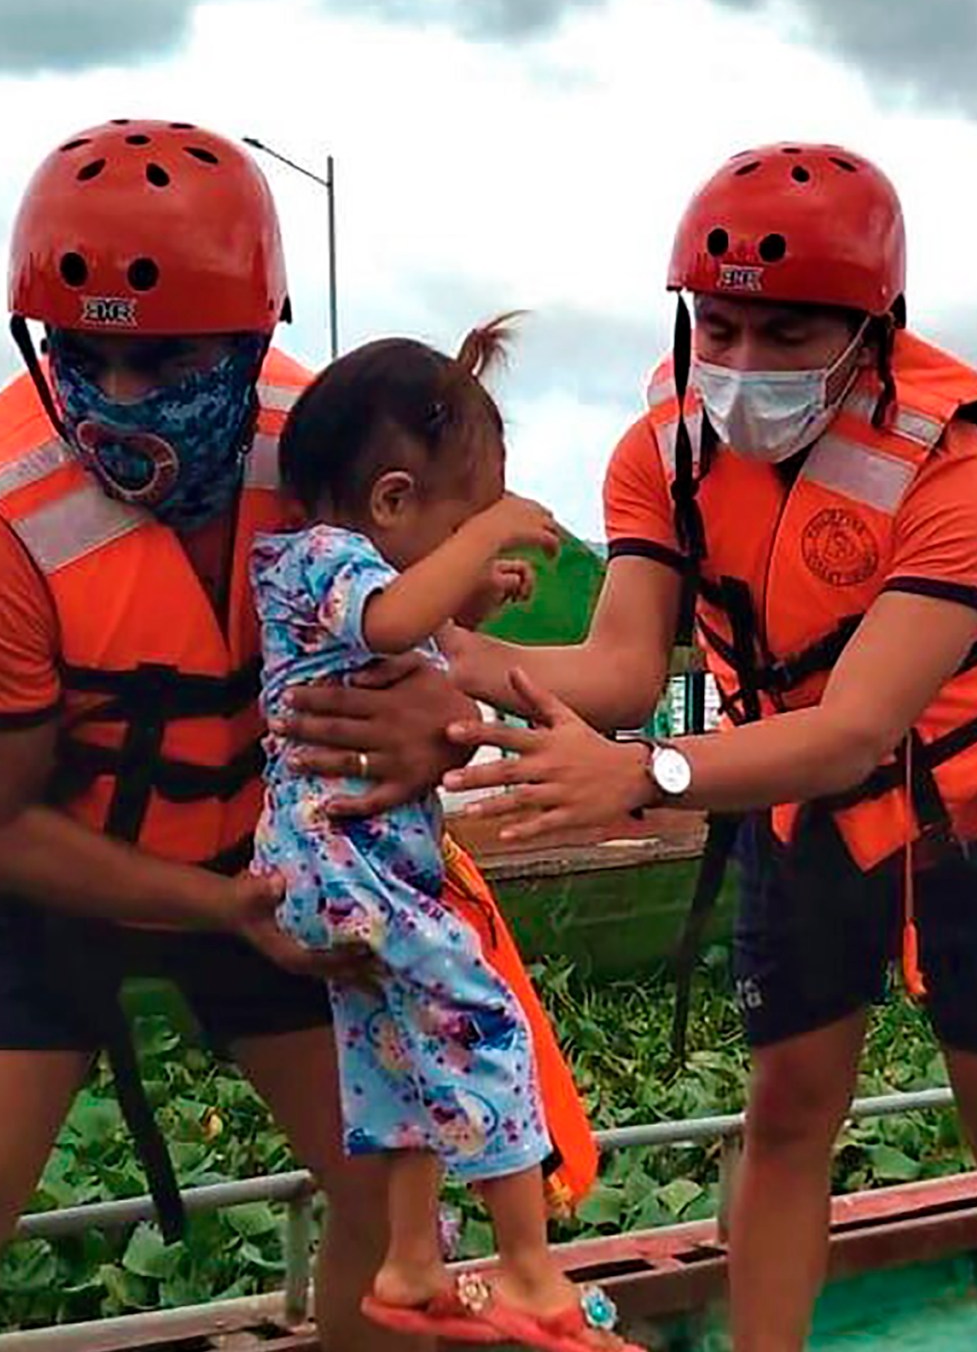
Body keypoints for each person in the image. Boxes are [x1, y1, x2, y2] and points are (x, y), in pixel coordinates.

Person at [401, 143, 977, 1352]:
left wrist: (649, 776)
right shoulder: (661, 452)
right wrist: (445, 656)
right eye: (718, 329)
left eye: (787, 337)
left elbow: (857, 727)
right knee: (784, 1113)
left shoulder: (958, 462)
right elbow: (621, 670)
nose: (741, 368)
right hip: (798, 811)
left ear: (873, 328)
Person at [0, 119, 480, 1352]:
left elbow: (447, 641)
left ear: (252, 339)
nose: (123, 399)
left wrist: (431, 715)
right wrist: (219, 907)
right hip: (44, 876)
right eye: (88, 357)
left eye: (169, 359)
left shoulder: (337, 451)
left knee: (391, 1184)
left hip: (285, 850)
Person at [251, 320, 633, 1349]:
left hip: (352, 860)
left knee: (397, 1054)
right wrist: (485, 535)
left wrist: (473, 578)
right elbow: (383, 620)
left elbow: (417, 616)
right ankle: (523, 1271)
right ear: (391, 504)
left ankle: (412, 1264)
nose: (480, 535)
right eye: (465, 514)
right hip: (338, 853)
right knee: (482, 1017)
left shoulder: (350, 568)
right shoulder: (318, 561)